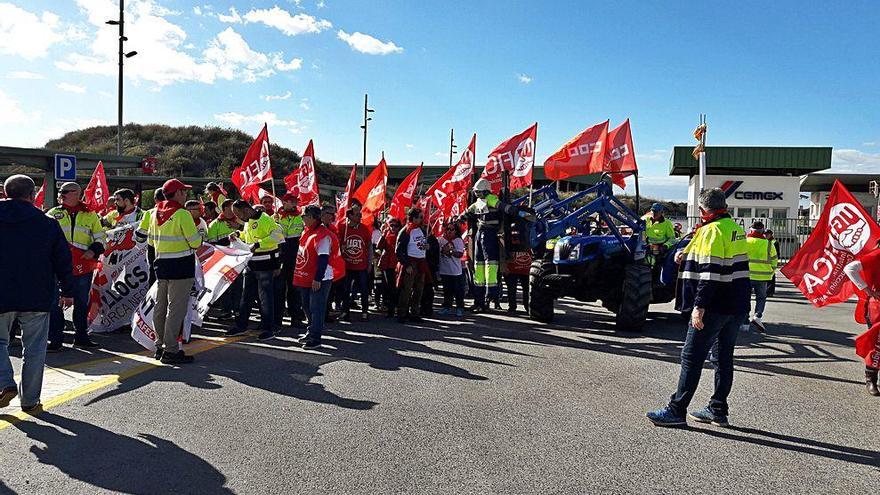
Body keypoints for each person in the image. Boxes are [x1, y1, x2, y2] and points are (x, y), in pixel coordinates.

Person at [647, 188, 750, 427]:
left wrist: (699, 306)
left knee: (691, 357)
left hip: (714, 304)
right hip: (736, 304)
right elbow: (724, 261)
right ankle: (718, 409)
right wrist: (687, 254)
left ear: (703, 210)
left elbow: (710, 273)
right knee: (723, 357)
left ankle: (676, 410)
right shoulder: (734, 229)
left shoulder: (711, 231)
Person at [0, 175, 75, 411]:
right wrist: (67, 290)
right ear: (33, 196)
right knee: (34, 350)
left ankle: (4, 382)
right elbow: (63, 260)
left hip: (1, 293)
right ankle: (30, 401)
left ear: (5, 193)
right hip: (38, 294)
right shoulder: (48, 223)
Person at [46, 182, 105, 350]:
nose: (61, 194)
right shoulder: (52, 213)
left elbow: (101, 238)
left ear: (77, 194)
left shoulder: (90, 214)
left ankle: (81, 336)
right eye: (60, 191)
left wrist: (93, 250)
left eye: (65, 191)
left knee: (81, 302)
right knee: (55, 302)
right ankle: (55, 339)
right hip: (57, 265)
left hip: (82, 266)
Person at [147, 179, 202, 364]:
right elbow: (195, 242)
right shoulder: (182, 214)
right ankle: (171, 350)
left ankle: (160, 345)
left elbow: (151, 242)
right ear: (177, 193)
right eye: (183, 191)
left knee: (160, 307)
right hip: (181, 266)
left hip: (161, 264)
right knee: (176, 309)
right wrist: (200, 237)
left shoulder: (155, 213)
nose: (186, 194)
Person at [466, 178, 533, 312]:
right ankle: (480, 299)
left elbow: (506, 208)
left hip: (490, 234)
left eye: (479, 192)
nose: (477, 194)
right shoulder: (478, 202)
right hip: (480, 233)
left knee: (490, 263)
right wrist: (457, 219)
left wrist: (521, 213)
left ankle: (490, 294)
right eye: (476, 192)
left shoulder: (491, 199)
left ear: (485, 191)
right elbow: (468, 212)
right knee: (479, 265)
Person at [227, 200, 284, 340]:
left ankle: (268, 328)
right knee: (246, 296)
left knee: (265, 298)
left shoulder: (266, 219)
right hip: (252, 263)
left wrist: (258, 244)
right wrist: (238, 235)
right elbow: (248, 237)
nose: (238, 217)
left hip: (266, 264)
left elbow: (278, 236)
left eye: (238, 214)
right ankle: (241, 326)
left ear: (246, 210)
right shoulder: (248, 221)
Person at [293, 205, 340, 350]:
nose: (302, 219)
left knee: (316, 308)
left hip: (320, 278)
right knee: (306, 306)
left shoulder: (322, 235)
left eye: (304, 216)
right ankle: (311, 330)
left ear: (312, 218)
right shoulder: (307, 232)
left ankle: (316, 338)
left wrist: (318, 278)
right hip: (306, 276)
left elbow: (323, 259)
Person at [843, 250, 880, 396]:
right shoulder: (877, 255)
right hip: (877, 307)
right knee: (876, 344)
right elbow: (850, 269)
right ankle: (871, 379)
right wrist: (867, 290)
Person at [274, 193, 305, 328]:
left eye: (295, 202)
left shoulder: (301, 218)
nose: (294, 204)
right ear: (284, 202)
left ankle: (296, 317)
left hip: (295, 254)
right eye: (291, 202)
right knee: (279, 289)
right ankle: (277, 319)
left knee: (295, 288)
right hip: (281, 254)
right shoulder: (275, 217)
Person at [395, 208, 430, 324]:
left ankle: (414, 312)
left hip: (421, 262)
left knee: (419, 289)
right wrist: (407, 264)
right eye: (420, 217)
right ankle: (401, 313)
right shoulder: (405, 231)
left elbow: (422, 244)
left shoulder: (422, 230)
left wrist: (426, 247)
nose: (421, 219)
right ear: (413, 218)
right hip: (411, 263)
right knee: (407, 289)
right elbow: (398, 250)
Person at [339, 208, 372, 321]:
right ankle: (345, 311)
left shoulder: (364, 229)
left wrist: (369, 264)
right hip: (347, 266)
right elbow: (336, 245)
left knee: (364, 289)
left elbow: (369, 247)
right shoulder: (343, 228)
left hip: (361, 266)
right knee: (345, 290)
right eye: (357, 214)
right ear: (350, 216)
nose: (360, 216)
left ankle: (364, 311)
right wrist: (341, 248)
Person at [744, 221, 777, 333]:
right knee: (761, 298)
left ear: (751, 230)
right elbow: (774, 260)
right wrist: (771, 272)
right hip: (763, 276)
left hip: (746, 275)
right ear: (762, 230)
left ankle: (744, 320)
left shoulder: (745, 241)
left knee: (745, 297)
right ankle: (757, 316)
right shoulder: (768, 243)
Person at [136, 187, 166, 287]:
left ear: (155, 199)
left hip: (153, 249)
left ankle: (153, 301)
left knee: (154, 278)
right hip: (174, 252)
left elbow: (140, 237)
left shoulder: (150, 213)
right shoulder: (179, 212)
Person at [437, 222, 466, 316]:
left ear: (456, 231)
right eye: (448, 229)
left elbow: (460, 254)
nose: (449, 231)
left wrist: (451, 252)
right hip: (445, 270)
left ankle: (459, 308)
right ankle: (447, 307)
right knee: (447, 291)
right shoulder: (441, 240)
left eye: (452, 229)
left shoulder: (458, 240)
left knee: (458, 291)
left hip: (455, 271)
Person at [377, 218, 401, 318]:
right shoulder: (386, 233)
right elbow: (379, 246)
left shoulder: (402, 235)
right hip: (387, 264)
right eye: (391, 225)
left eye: (395, 226)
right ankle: (389, 309)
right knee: (388, 287)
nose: (393, 228)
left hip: (397, 264)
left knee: (397, 287)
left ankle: (396, 307)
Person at [504, 232, 532, 314]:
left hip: (524, 268)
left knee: (524, 289)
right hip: (515, 268)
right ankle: (513, 306)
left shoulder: (529, 234)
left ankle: (525, 306)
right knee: (513, 288)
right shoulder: (527, 234)